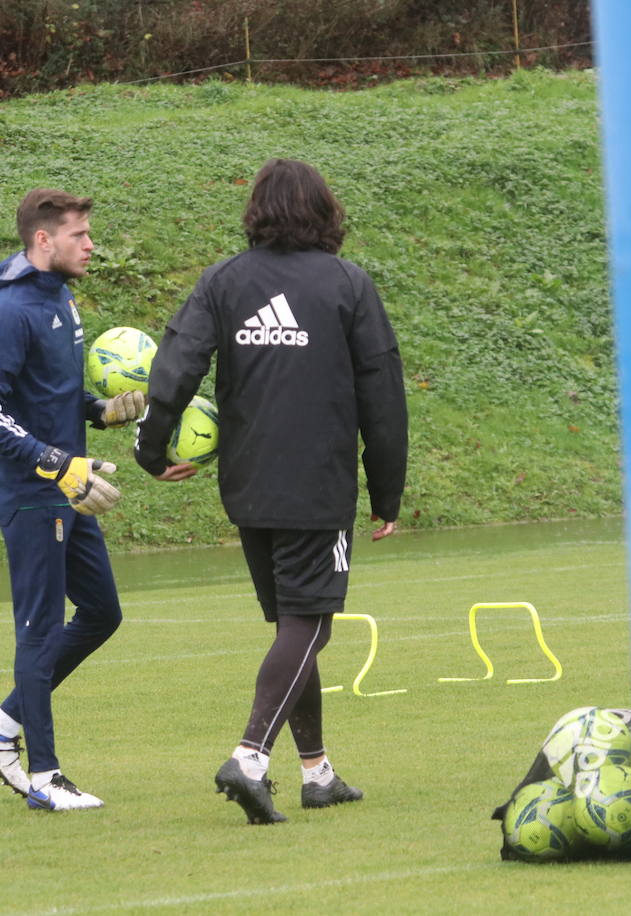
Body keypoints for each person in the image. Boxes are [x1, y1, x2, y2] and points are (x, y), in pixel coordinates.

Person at [134, 159, 408, 825]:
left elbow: (176, 362)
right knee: (309, 626)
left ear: (257, 210)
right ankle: (250, 758)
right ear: (324, 211)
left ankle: (317, 772)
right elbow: (383, 394)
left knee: (295, 626)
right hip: (317, 488)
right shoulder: (347, 284)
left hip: (249, 485)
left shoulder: (224, 282)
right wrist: (387, 491)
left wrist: (151, 445)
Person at [0, 188, 145, 811]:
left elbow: (49, 394)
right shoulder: (11, 312)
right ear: (44, 240)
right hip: (33, 494)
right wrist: (53, 462)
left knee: (102, 613)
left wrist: (102, 411)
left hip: (70, 488)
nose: (91, 244)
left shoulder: (61, 300)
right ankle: (44, 776)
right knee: (38, 633)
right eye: (79, 234)